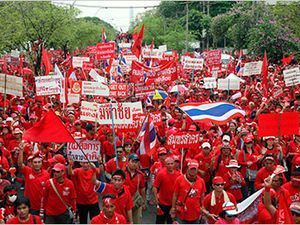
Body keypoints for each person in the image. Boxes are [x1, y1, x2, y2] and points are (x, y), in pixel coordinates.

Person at [171, 159, 206, 224]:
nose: (193, 171)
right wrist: (173, 208)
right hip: (181, 213)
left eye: (194, 169)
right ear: (187, 168)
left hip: (195, 213)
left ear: (197, 170)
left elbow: (202, 195)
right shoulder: (179, 179)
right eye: (191, 169)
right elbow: (175, 195)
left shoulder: (201, 181)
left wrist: (202, 207)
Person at [18, 149, 50, 215]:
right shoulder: (28, 171)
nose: (37, 164)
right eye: (35, 162)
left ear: (41, 163)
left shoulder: (46, 174)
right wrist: (21, 150)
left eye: (39, 162)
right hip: (29, 206)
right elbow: (20, 164)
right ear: (32, 163)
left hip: (41, 206)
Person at [68, 159, 100, 224]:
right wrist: (70, 164)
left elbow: (100, 171)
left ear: (90, 163)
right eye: (84, 163)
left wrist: (100, 162)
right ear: (80, 163)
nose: (85, 165)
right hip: (81, 201)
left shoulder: (93, 169)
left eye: (87, 163)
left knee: (96, 220)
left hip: (93, 200)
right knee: (83, 221)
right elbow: (70, 173)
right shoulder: (77, 170)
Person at [153, 156, 180, 224]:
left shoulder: (179, 174)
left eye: (171, 163)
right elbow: (155, 187)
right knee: (160, 221)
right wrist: (156, 198)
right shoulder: (161, 174)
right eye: (168, 164)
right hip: (162, 203)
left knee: (171, 221)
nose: (170, 165)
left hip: (173, 204)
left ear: (174, 164)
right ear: (165, 164)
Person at [124, 153, 146, 224]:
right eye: (132, 161)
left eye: (136, 162)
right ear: (128, 162)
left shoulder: (140, 175)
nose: (134, 164)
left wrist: (144, 202)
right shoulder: (122, 173)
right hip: (123, 201)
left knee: (136, 222)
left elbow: (142, 189)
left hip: (135, 202)